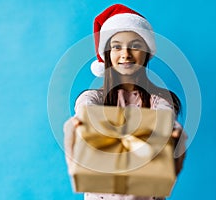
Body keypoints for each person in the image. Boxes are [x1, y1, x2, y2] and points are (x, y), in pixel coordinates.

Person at [63, 4, 187, 200]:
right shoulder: (94, 98)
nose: (125, 54)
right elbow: (85, 107)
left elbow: (165, 117)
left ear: (146, 52)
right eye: (116, 46)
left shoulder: (160, 100)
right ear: (107, 54)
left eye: (135, 46)